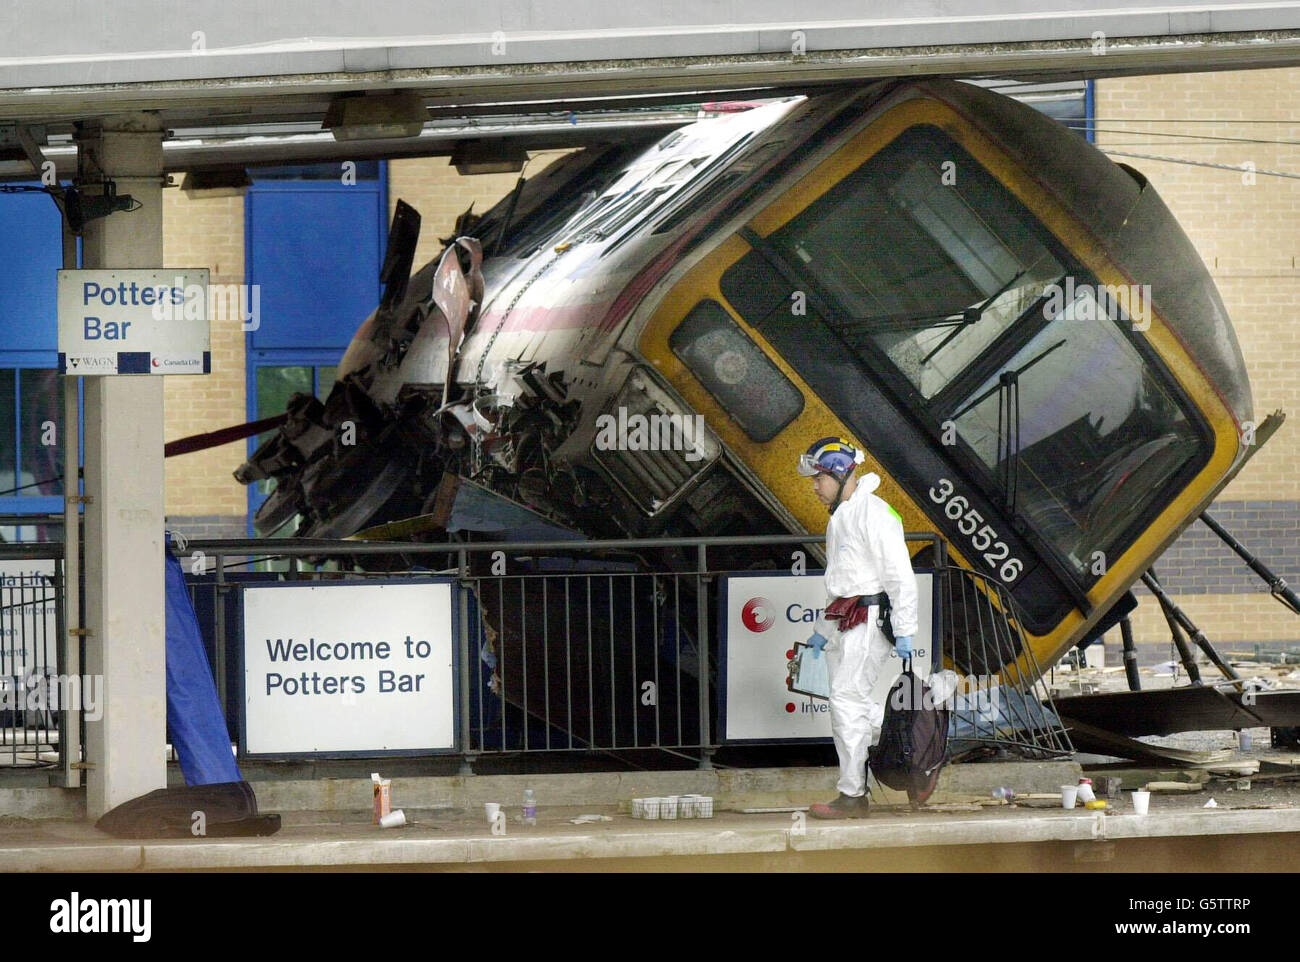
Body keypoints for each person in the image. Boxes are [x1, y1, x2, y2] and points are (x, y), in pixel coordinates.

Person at [797, 436, 919, 818]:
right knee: (854, 704)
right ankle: (916, 750)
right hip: (851, 622)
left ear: (839, 472)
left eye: (819, 477)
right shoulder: (844, 516)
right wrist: (823, 630)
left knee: (847, 702)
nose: (815, 485)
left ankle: (853, 796)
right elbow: (841, 585)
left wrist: (904, 628)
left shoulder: (874, 513)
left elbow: (900, 576)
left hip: (866, 623)